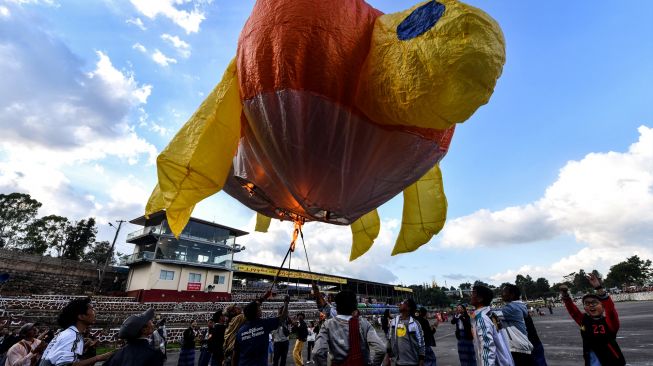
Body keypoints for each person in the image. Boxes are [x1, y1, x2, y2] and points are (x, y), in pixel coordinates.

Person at [560, 273, 626, 366]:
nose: (590, 305)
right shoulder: (584, 320)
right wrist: (565, 295)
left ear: (603, 307)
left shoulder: (610, 323)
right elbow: (573, 311)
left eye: (594, 302)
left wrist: (599, 288)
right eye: (587, 303)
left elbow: (610, 310)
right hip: (590, 361)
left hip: (612, 361)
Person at [312, 290, 385, 366]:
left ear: (337, 306)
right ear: (354, 307)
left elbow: (317, 352)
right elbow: (381, 349)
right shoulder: (364, 324)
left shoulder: (327, 325)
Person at [40, 297, 113, 366]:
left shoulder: (68, 333)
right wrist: (99, 358)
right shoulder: (73, 336)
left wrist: (84, 347)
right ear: (81, 316)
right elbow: (67, 365)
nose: (95, 312)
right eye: (92, 309)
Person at [232, 293, 289, 366]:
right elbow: (283, 317)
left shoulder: (240, 331)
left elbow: (235, 354)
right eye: (259, 308)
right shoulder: (264, 324)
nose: (260, 309)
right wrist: (286, 303)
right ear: (256, 312)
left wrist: (264, 297)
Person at [470, 285, 514, 366]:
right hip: (504, 360)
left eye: (473, 293)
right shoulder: (491, 314)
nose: (471, 295)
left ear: (480, 298)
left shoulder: (482, 318)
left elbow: (487, 347)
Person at [500, 284, 534, 365]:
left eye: (504, 292)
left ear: (512, 295)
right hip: (521, 347)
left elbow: (492, 313)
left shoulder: (512, 308)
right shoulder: (518, 306)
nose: (502, 294)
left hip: (518, 348)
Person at [387, 298, 425, 366]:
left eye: (403, 302)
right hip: (398, 362)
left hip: (413, 362)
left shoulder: (415, 324)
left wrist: (421, 361)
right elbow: (390, 339)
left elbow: (421, 343)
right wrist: (387, 356)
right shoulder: (394, 322)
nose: (400, 303)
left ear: (408, 308)